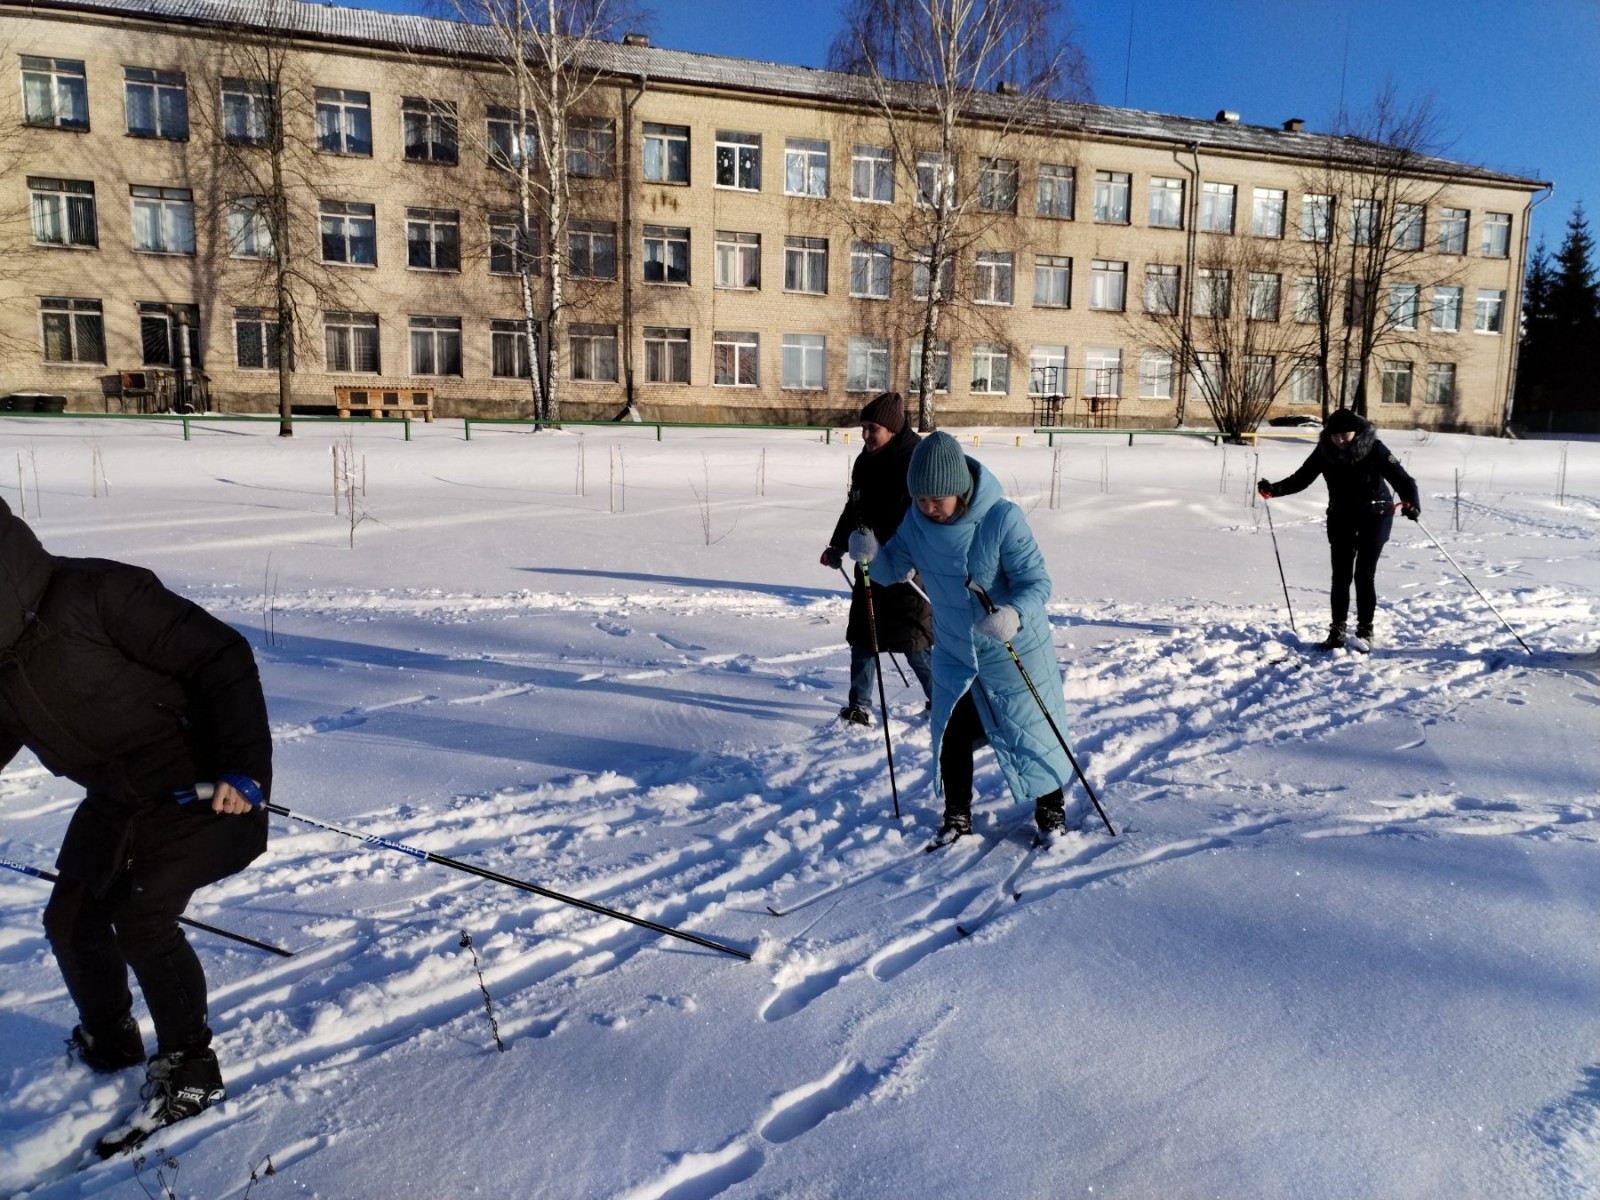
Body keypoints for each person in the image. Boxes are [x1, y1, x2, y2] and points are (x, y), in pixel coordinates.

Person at [0, 499, 273, 1155]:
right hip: (117, 795)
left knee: (141, 914)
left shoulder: (97, 593)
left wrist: (244, 770)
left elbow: (222, 658)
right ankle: (111, 1037)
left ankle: (191, 1073)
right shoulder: (1, 663)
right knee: (71, 917)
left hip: (203, 783)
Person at [849, 431, 1081, 843]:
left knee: (1029, 729)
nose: (928, 507)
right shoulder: (917, 523)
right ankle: (957, 814)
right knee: (950, 730)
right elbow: (890, 571)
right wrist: (871, 555)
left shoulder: (1002, 518)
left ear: (960, 489)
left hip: (1013, 646)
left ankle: (1051, 808)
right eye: (920, 498)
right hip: (956, 648)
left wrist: (1013, 614)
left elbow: (1036, 582)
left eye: (937, 499)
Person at [1258, 406, 1421, 652]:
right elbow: (1302, 478)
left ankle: (1365, 629)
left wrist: (1412, 504)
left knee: (1364, 575)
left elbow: (1404, 480)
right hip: (1341, 516)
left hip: (1375, 515)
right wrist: (1275, 489)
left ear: (1356, 431)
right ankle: (1337, 629)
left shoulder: (1375, 449)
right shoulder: (1325, 451)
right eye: (1335, 435)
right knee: (1341, 576)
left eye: (1345, 434)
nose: (1340, 439)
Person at [820, 391, 933, 725]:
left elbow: (920, 516)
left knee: (913, 641)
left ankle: (943, 699)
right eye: (863, 428)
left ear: (893, 429)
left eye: (873, 428)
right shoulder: (864, 461)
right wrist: (839, 545)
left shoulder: (913, 461)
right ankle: (859, 706)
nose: (866, 435)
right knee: (864, 636)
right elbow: (854, 506)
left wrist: (895, 551)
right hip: (867, 563)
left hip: (906, 568)